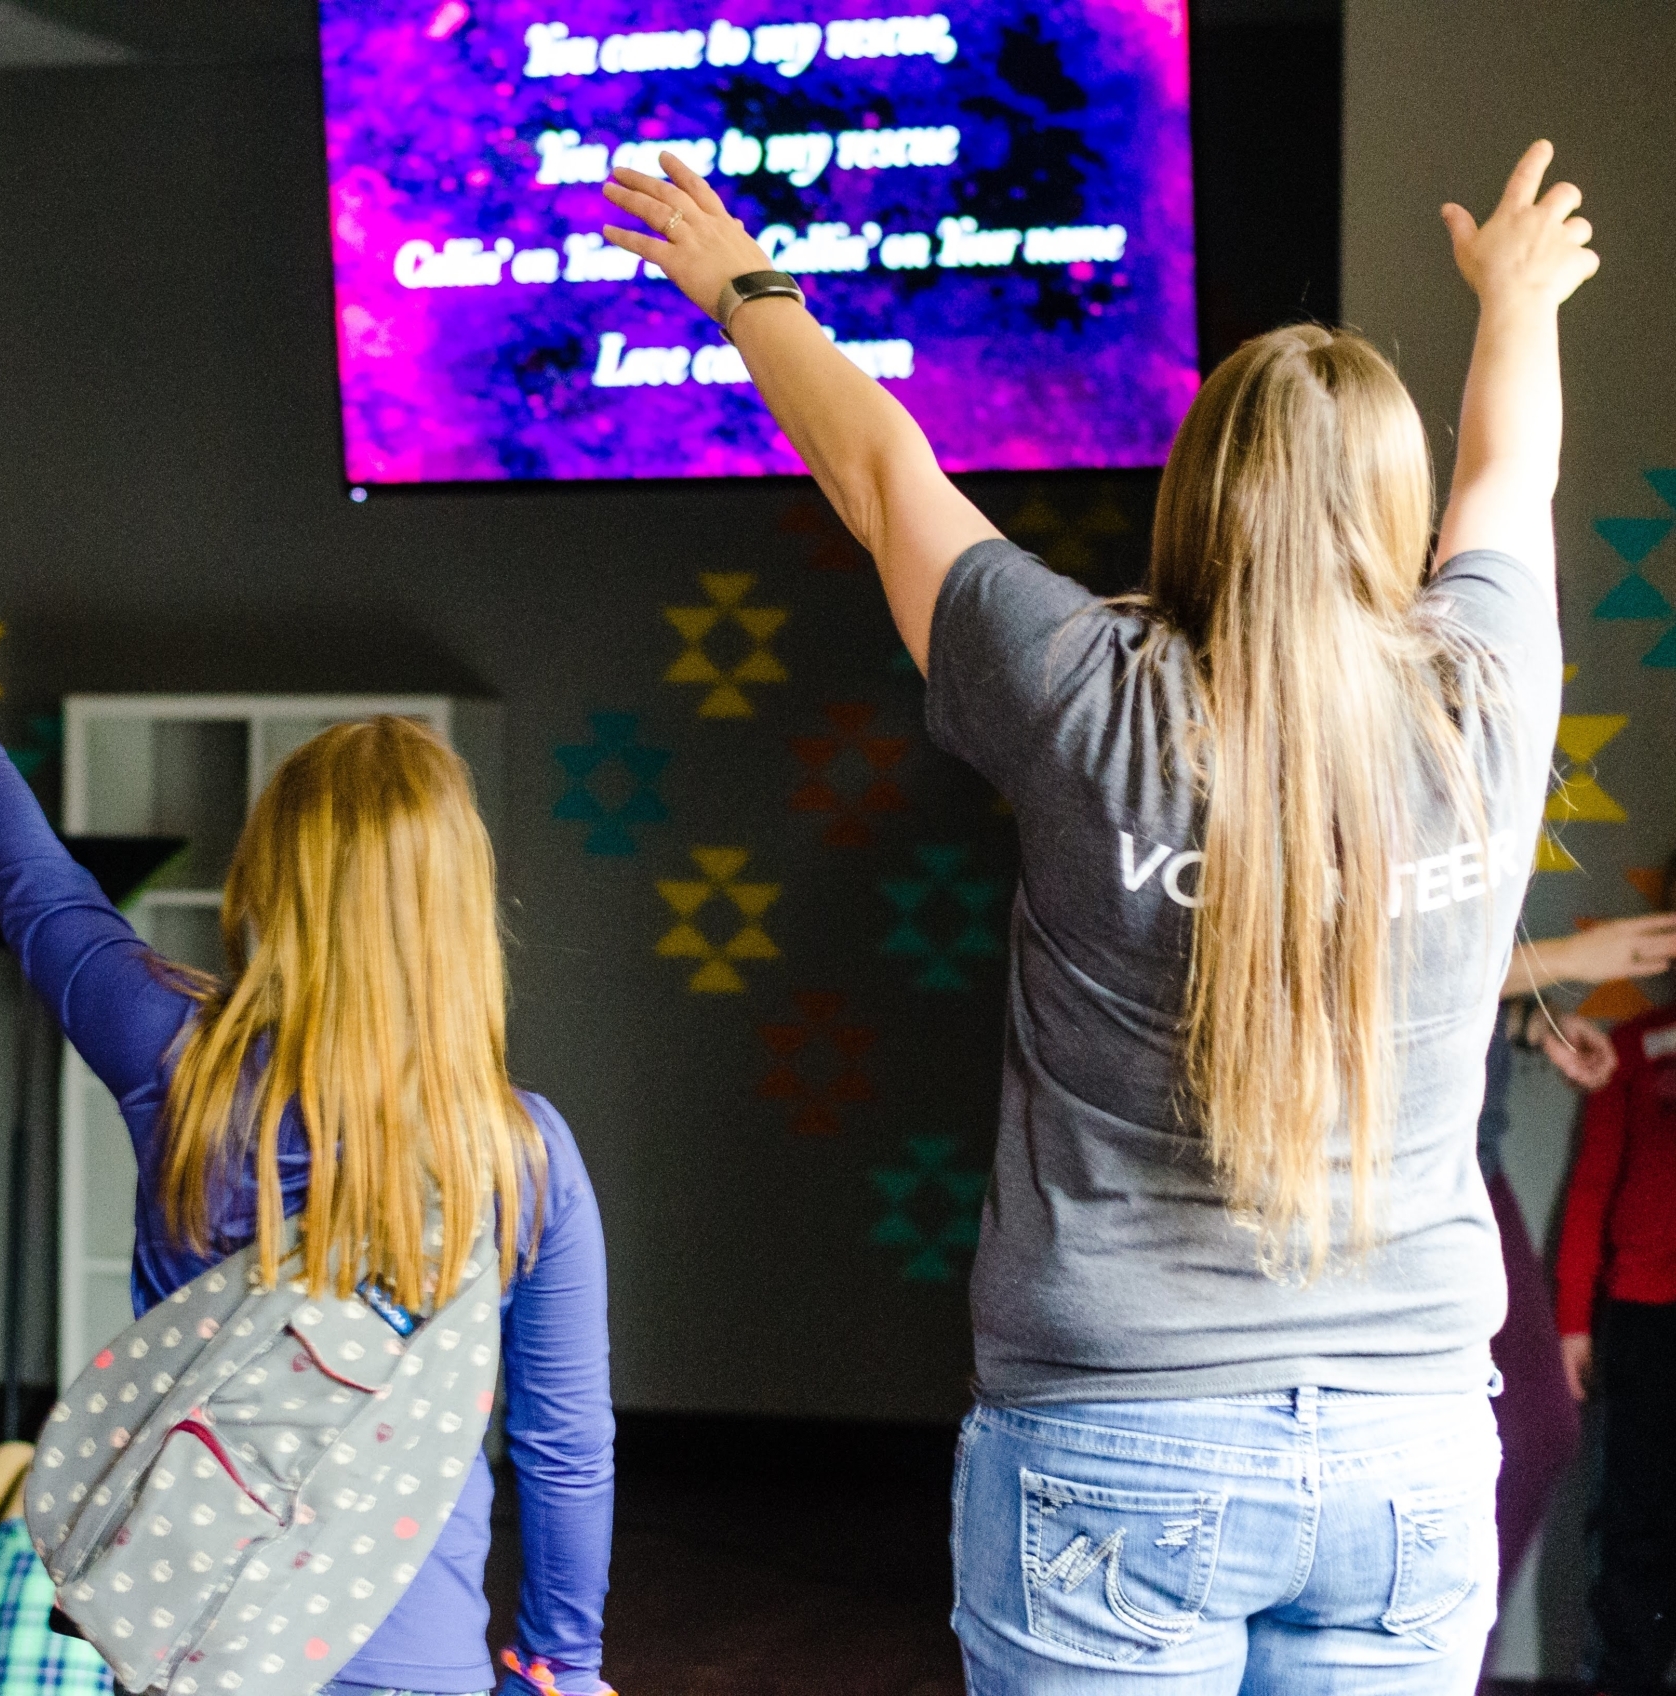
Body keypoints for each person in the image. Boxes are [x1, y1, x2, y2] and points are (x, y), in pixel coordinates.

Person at [601, 137, 1593, 1691]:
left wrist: (742, 285)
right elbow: (1507, 476)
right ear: (1390, 518)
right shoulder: (1486, 696)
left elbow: (881, 476)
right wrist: (1519, 299)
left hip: (1115, 1432)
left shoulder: (1083, 694)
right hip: (1408, 1454)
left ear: (1196, 495)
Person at [0, 572, 614, 1696]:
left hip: (190, 1646)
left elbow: (23, 873)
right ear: (462, 905)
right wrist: (561, 1662)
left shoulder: (177, 1059)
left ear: (266, 875)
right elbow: (564, 1447)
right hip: (419, 1661)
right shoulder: (523, 1153)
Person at [1481, 914, 1676, 1604]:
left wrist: (1537, 1024)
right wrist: (1564, 956)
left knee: (1536, 1434)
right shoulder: (1645, 1044)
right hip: (1642, 1315)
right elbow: (1389, 965)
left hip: (1470, 1163)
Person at [1554, 864, 1676, 1696]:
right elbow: (1594, 1185)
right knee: (1638, 1525)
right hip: (1645, 1319)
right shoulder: (1635, 1046)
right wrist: (1572, 1322)